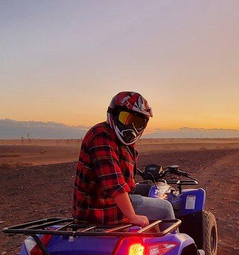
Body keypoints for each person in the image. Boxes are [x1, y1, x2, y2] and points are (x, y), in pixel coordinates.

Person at [72, 91, 175, 227]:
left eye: (137, 122)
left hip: (103, 205)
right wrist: (132, 216)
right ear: (114, 114)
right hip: (101, 210)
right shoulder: (101, 136)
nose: (131, 126)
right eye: (126, 118)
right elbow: (114, 183)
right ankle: (177, 247)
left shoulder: (120, 142)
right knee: (166, 208)